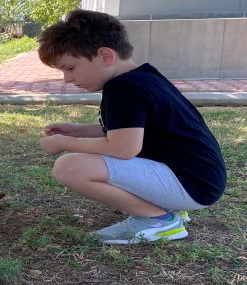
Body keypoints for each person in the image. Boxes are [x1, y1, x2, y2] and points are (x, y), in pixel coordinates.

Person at [37, 9, 226, 244]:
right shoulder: (143, 77)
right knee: (79, 163)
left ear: (105, 56)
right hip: (199, 181)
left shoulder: (123, 89)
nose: (67, 78)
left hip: (190, 185)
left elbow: (123, 148)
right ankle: (164, 206)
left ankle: (158, 219)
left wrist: (64, 142)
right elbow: (128, 130)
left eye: (70, 68)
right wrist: (78, 130)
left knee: (69, 167)